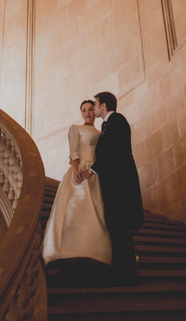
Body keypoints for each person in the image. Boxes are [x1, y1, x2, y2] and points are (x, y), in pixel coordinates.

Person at [77, 91, 143, 285]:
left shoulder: (117, 121)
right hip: (113, 185)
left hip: (120, 185)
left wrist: (91, 170)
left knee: (120, 228)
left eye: (95, 104)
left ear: (103, 105)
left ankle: (128, 275)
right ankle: (123, 271)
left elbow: (113, 151)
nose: (94, 108)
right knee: (116, 227)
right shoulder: (108, 124)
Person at [42, 100, 112, 269]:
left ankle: (98, 253)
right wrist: (75, 169)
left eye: (90, 109)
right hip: (80, 171)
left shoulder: (100, 131)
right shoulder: (76, 128)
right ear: (81, 113)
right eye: (84, 110)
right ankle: (70, 253)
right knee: (76, 209)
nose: (87, 113)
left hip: (96, 174)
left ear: (95, 111)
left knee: (99, 213)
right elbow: (74, 151)